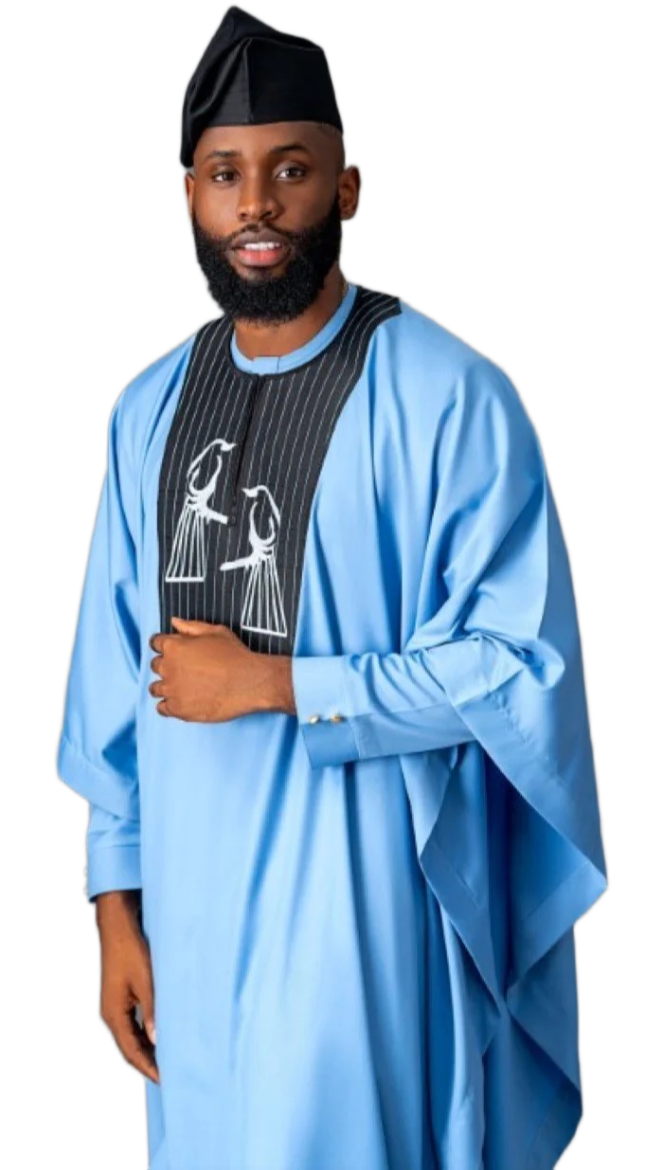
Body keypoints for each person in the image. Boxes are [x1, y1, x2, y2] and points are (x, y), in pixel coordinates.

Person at [54, 6, 610, 1169]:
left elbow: (520, 671)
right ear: (191, 198)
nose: (255, 205)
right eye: (224, 175)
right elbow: (111, 689)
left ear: (348, 190)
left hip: (365, 932)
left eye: (290, 169)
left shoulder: (452, 400)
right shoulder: (145, 412)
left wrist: (281, 684)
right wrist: (114, 911)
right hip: (192, 937)